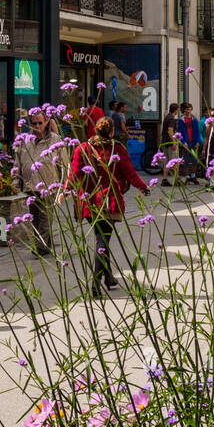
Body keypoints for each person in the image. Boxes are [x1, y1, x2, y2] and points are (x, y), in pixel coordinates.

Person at [63, 116, 149, 298]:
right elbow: (130, 172)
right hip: (108, 202)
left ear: (95, 130)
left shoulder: (83, 149)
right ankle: (95, 283)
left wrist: (65, 190)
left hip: (88, 201)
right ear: (111, 132)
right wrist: (143, 187)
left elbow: (74, 174)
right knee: (102, 241)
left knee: (101, 237)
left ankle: (109, 277)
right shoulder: (117, 149)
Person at [12, 106, 70, 256]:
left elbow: (64, 164)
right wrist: (15, 181)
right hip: (30, 185)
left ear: (46, 122)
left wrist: (64, 187)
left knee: (45, 217)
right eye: (34, 123)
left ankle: (41, 248)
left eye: (40, 123)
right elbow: (18, 162)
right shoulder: (25, 140)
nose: (37, 126)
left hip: (48, 185)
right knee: (34, 218)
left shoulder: (55, 140)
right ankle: (45, 243)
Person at [176, 101, 202, 184]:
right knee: (186, 161)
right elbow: (179, 133)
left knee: (194, 160)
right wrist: (183, 142)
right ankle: (187, 177)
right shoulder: (181, 120)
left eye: (190, 109)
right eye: (187, 109)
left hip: (194, 142)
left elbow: (198, 131)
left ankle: (193, 177)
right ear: (184, 110)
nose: (189, 111)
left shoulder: (194, 119)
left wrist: (198, 141)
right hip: (186, 142)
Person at [158, 103, 180, 188]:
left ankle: (164, 179)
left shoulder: (167, 117)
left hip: (165, 142)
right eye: (177, 110)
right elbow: (170, 130)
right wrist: (174, 142)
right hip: (170, 143)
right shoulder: (171, 119)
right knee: (175, 162)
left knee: (166, 162)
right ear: (175, 110)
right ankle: (177, 180)